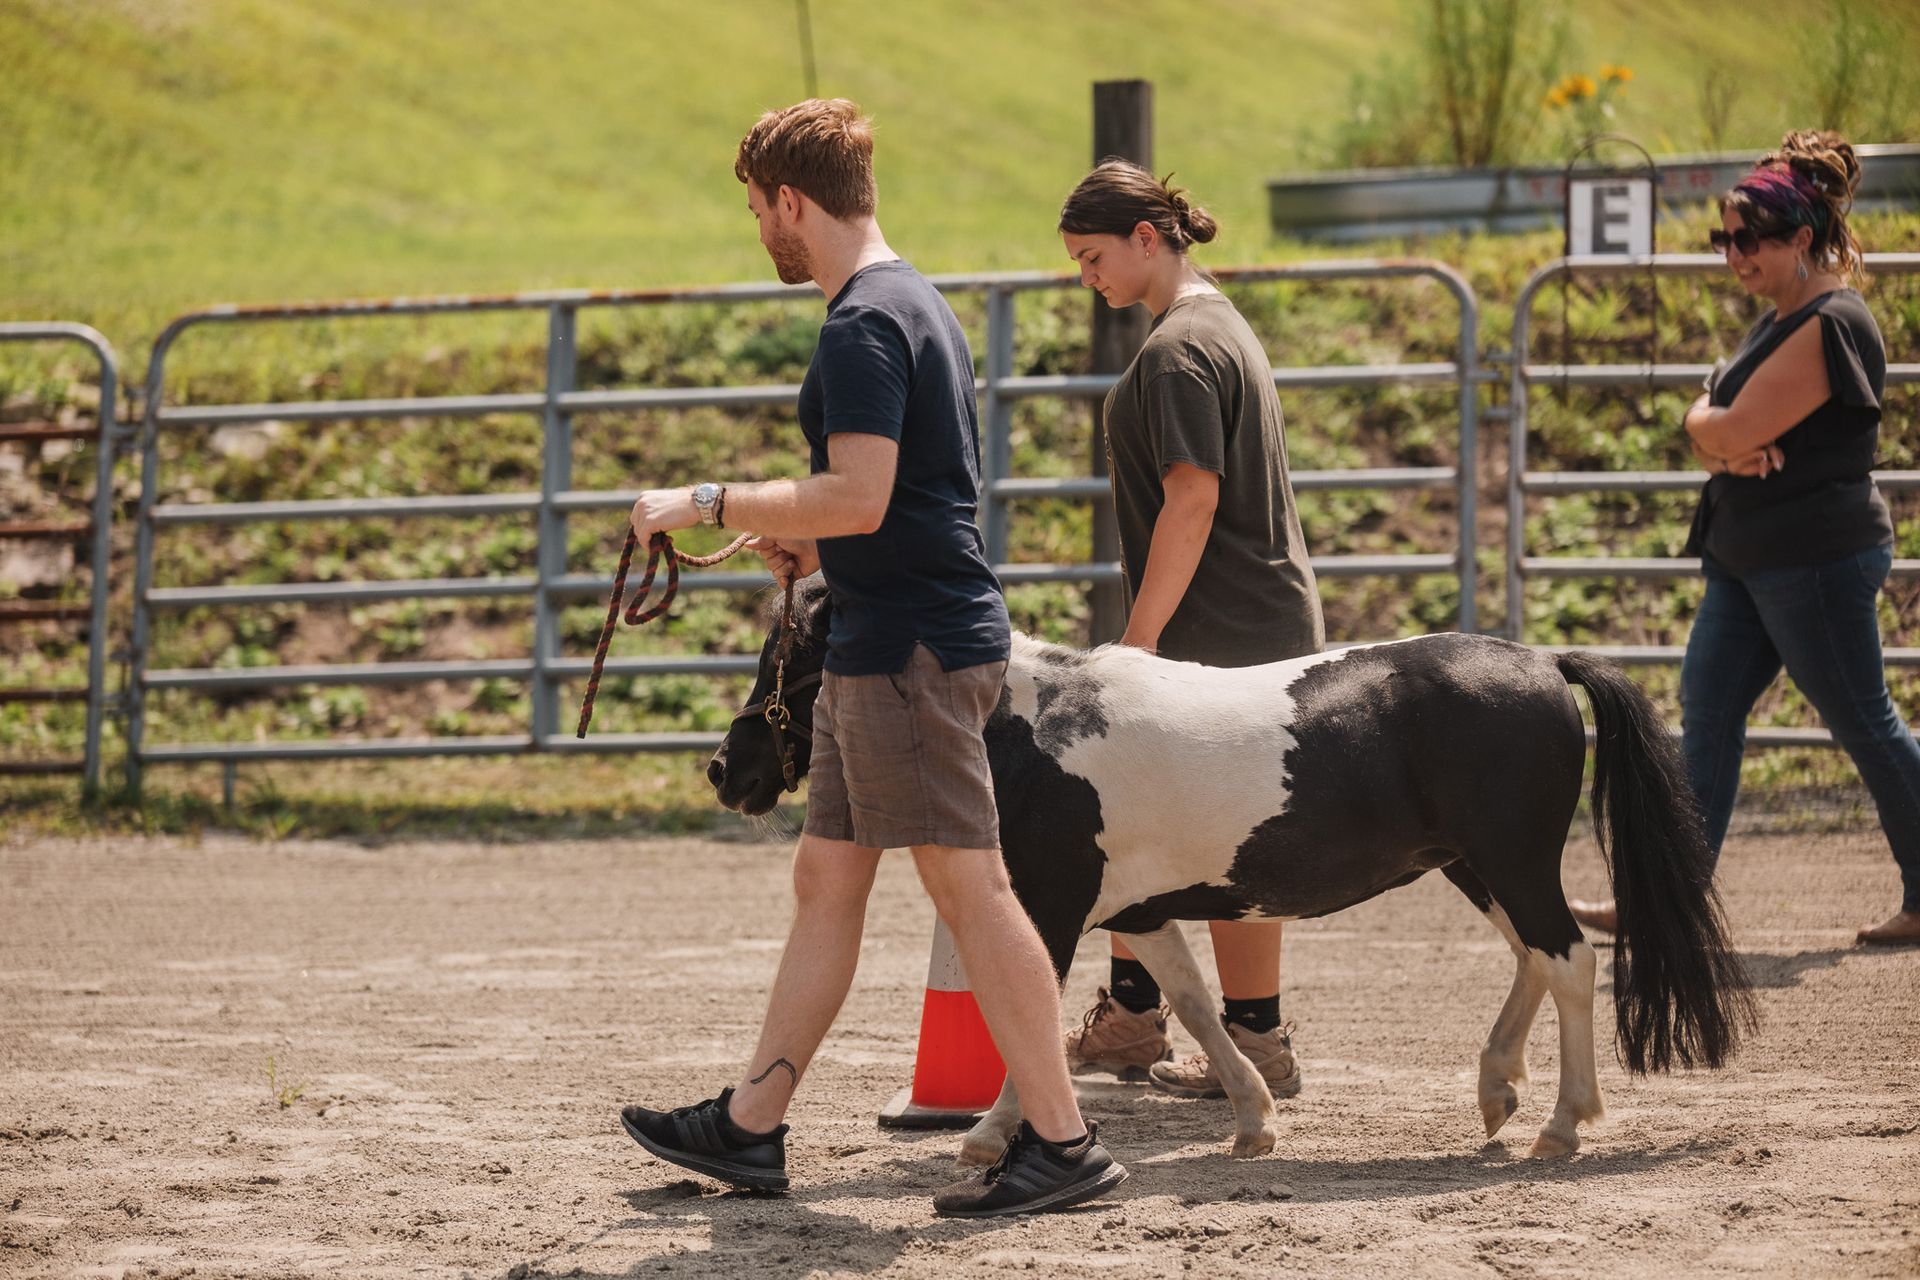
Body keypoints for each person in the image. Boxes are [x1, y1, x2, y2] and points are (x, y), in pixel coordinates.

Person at [617, 99, 1127, 1216]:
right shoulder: (913, 303)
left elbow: (864, 490)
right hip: (888, 637)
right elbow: (904, 495)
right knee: (829, 875)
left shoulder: (860, 324)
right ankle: (752, 1123)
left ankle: (1064, 1139)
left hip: (909, 650)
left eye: (760, 209)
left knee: (970, 883)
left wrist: (704, 500)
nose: (761, 229)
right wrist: (804, 531)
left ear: (792, 201)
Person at [1568, 130, 1920, 947]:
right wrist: (1713, 428)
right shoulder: (1783, 318)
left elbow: (1734, 424)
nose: (1735, 254)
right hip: (1752, 556)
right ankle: (1666, 901)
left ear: (1803, 238)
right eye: (1724, 238)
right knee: (1709, 715)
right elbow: (1712, 429)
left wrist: (1717, 426)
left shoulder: (1830, 322)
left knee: (1864, 722)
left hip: (1814, 560)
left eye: (1751, 239)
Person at [1055, 161, 1327, 1095]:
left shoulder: (1175, 351)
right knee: (1168, 826)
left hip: (1223, 627)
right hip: (1255, 615)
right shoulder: (1221, 320)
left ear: (1144, 238)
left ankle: (1239, 1039)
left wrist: (1137, 642)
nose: (1085, 277)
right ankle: (1148, 1020)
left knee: (1152, 822)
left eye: (1092, 257)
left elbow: (1193, 498)